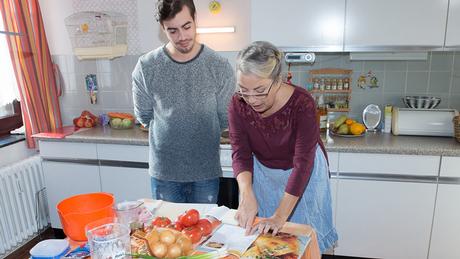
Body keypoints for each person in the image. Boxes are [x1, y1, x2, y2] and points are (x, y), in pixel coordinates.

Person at [228, 41, 338, 252]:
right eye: (244, 90)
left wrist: (279, 216)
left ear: (277, 80)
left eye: (260, 90)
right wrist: (247, 193)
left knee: (305, 242)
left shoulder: (302, 103)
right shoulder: (237, 103)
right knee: (269, 245)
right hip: (264, 173)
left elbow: (303, 163)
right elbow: (240, 152)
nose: (251, 100)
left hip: (304, 176)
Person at [132, 0, 235, 203]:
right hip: (164, 172)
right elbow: (143, 115)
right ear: (163, 28)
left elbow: (225, 118)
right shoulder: (147, 66)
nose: (182, 37)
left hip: (205, 172)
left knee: (204, 233)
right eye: (173, 31)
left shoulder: (219, 66)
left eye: (186, 27)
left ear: (195, 19)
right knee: (166, 233)